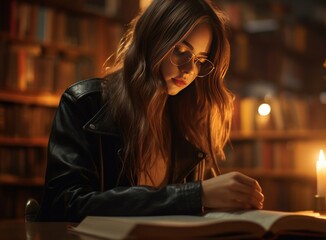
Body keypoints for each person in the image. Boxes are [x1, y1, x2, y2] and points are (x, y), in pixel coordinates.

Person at [37, 0, 264, 222]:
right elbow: (62, 204)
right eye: (181, 50)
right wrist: (195, 195)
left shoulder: (190, 121)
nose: (189, 69)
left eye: (200, 60)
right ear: (152, 39)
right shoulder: (85, 103)